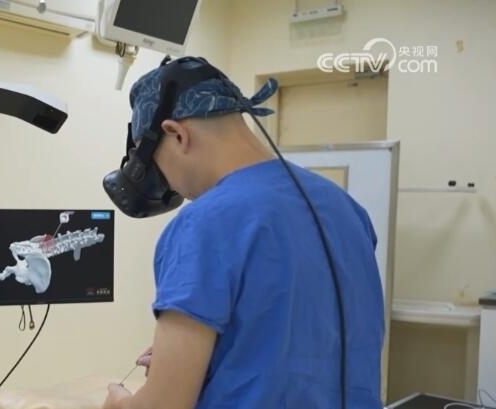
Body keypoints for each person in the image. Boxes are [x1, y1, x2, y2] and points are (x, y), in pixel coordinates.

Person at [102, 58, 385, 408]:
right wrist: (206, 356)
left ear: (177, 134)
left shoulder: (204, 224)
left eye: (158, 167)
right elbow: (302, 340)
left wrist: (118, 402)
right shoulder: (346, 208)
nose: (171, 187)